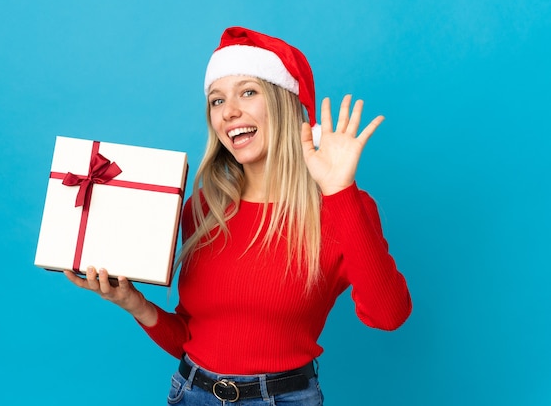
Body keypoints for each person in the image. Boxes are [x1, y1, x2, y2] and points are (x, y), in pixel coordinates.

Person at [65, 26, 412, 405]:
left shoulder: (340, 207)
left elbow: (388, 314)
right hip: (190, 394)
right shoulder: (202, 209)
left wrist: (340, 191)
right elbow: (195, 341)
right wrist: (135, 304)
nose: (229, 111)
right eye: (217, 101)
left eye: (248, 92)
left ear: (283, 102)